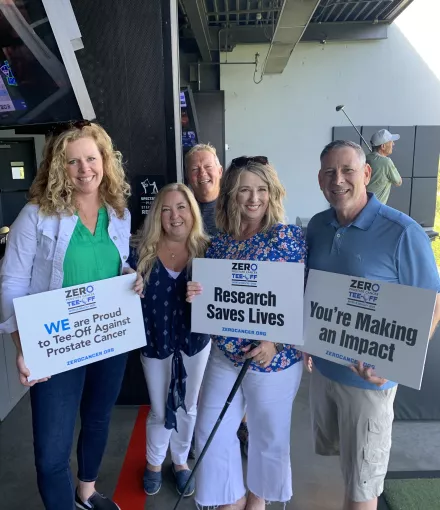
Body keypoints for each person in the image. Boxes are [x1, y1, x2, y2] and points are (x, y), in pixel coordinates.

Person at [0, 121, 143, 510]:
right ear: (58, 167)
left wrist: (131, 278)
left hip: (107, 338)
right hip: (55, 344)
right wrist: (24, 345)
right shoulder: (36, 215)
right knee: (51, 452)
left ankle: (86, 493)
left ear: (105, 162)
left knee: (97, 421)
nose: (84, 169)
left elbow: (118, 265)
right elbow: (11, 284)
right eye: (73, 161)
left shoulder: (118, 213)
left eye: (91, 159)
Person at [305, 140, 440, 510]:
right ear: (320, 179)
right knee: (348, 468)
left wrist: (397, 363)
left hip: (368, 383)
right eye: (330, 172)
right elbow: (310, 289)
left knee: (364, 484)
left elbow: (433, 302)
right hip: (325, 372)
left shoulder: (403, 232)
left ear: (366, 173)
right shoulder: (317, 226)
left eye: (348, 170)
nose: (339, 180)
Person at [187, 156, 306, 510]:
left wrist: (275, 341)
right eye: (244, 191)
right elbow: (215, 297)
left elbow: (303, 296)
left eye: (261, 190)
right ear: (231, 196)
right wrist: (198, 294)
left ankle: (258, 502)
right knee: (210, 427)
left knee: (267, 438)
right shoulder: (220, 243)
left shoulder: (287, 238)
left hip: (274, 360)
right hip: (226, 356)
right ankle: (229, 499)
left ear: (273, 194)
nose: (254, 198)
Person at [129, 183, 211, 497]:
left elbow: (224, 297)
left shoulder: (208, 249)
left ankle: (179, 461)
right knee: (160, 410)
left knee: (189, 406)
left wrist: (204, 294)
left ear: (192, 212)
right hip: (155, 343)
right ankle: (153, 462)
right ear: (157, 215)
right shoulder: (140, 251)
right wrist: (127, 276)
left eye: (181, 207)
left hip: (195, 342)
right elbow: (117, 281)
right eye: (166, 209)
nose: (174, 216)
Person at [184, 143, 249, 455]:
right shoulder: (183, 209)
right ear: (187, 175)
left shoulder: (238, 205)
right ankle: (201, 435)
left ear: (220, 171)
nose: (202, 173)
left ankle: (243, 424)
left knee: (239, 371)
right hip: (194, 308)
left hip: (234, 307)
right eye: (195, 169)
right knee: (200, 379)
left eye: (207, 166)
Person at [366, 129, 402, 204]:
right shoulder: (386, 162)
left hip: (362, 205)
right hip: (376, 208)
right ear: (383, 146)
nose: (393, 144)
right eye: (391, 142)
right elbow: (398, 182)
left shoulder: (365, 158)